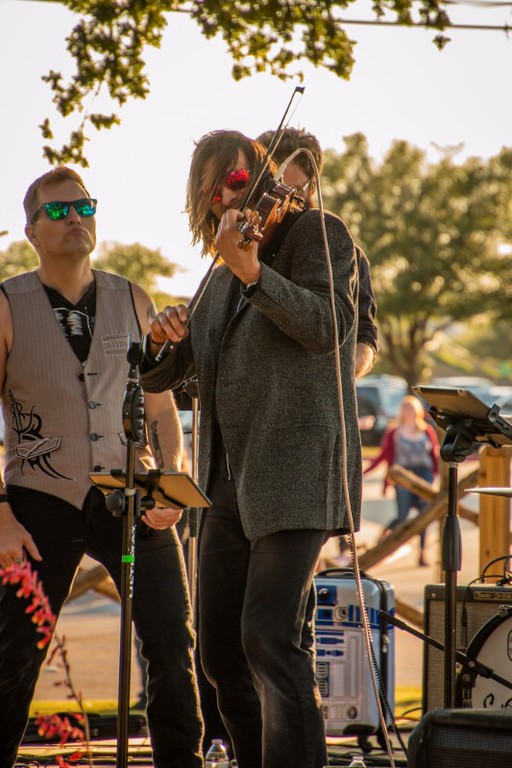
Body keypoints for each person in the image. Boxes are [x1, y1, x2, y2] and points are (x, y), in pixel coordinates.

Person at [141, 129, 362, 768]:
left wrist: (254, 273)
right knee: (218, 653)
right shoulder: (216, 276)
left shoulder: (319, 233)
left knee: (267, 635)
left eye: (237, 179)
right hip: (228, 486)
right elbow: (170, 376)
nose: (225, 195)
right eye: (213, 190)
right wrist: (161, 342)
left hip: (296, 473)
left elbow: (329, 330)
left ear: (262, 178)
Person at [0, 167, 203, 767]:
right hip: (38, 502)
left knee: (172, 644)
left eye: (84, 207)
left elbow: (162, 404)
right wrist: (2, 516)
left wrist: (172, 481)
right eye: (58, 212)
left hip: (132, 496)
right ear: (31, 230)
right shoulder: (7, 305)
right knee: (16, 652)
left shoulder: (131, 297)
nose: (76, 219)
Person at [256, 126, 379, 378]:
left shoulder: (344, 251)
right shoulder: (250, 247)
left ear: (312, 188)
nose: (283, 202)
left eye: (294, 191)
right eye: (274, 189)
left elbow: (363, 336)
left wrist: (333, 378)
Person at [363, 394, 440, 567]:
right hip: (402, 476)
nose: (409, 411)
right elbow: (384, 456)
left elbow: (434, 455)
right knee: (402, 516)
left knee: (424, 516)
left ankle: (422, 553)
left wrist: (436, 475)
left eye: (412, 408)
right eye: (406, 408)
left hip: (423, 475)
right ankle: (383, 539)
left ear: (418, 411)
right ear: (402, 412)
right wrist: (364, 472)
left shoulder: (426, 430)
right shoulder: (394, 432)